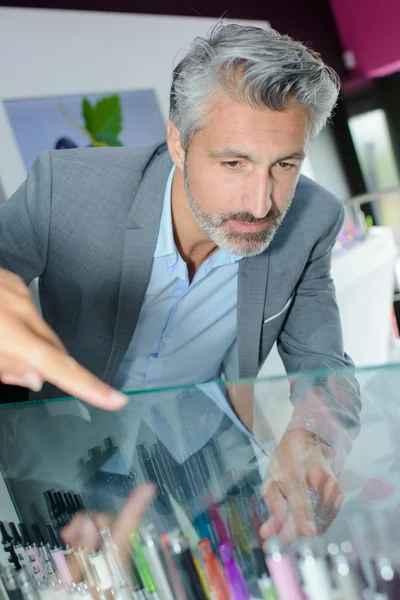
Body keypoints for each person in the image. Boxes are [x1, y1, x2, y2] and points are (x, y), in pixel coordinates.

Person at [0, 24, 360, 542]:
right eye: (233, 163)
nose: (261, 205)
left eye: (284, 165)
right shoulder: (66, 189)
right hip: (63, 452)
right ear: (177, 142)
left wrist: (311, 436)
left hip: (208, 456)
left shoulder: (312, 218)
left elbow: (324, 365)